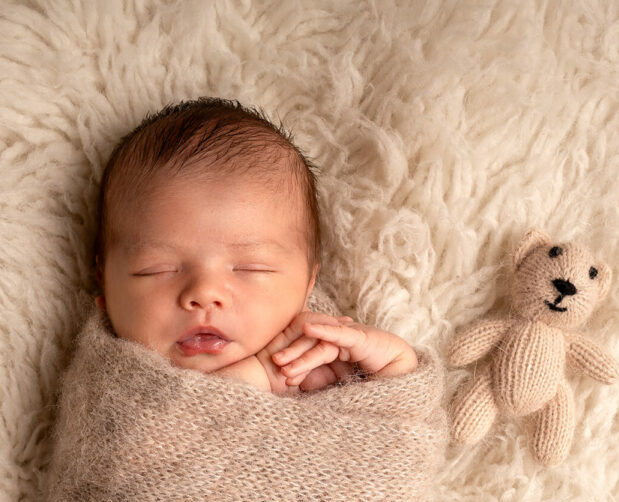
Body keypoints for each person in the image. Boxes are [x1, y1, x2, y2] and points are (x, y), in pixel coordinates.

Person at [92, 97, 419, 395]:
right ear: (103, 284)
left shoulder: (329, 357)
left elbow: (405, 449)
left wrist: (396, 371)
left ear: (307, 286)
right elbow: (132, 452)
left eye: (251, 267)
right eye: (157, 269)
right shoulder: (106, 381)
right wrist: (256, 377)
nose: (205, 293)